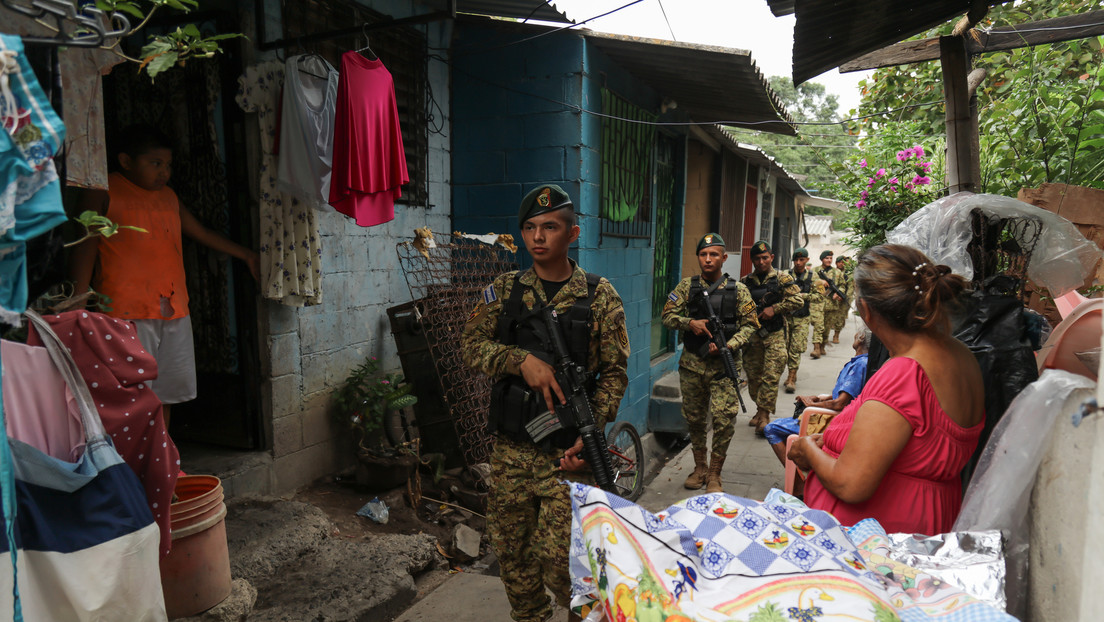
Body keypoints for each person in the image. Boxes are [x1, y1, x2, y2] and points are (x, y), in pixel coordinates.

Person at [461, 184, 629, 622]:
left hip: (568, 453)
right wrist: (519, 361)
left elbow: (614, 373)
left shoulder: (600, 296)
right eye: (530, 228)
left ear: (572, 233)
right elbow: (470, 346)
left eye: (550, 227)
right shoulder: (505, 290)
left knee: (564, 563)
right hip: (511, 452)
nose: (538, 237)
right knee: (514, 558)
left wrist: (592, 429)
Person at [69, 126, 259, 429]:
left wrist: (247, 255)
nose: (165, 172)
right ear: (126, 161)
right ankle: (131, 458)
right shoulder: (102, 191)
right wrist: (75, 308)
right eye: (155, 163)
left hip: (174, 310)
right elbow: (85, 247)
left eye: (168, 165)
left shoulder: (168, 196)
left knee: (166, 395)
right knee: (130, 395)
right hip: (126, 312)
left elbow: (201, 233)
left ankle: (161, 453)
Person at [788, 244, 984, 536]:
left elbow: (852, 484)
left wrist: (807, 449)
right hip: (929, 519)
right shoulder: (960, 354)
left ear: (866, 310)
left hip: (876, 539)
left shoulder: (904, 373)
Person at [661, 233, 759, 493]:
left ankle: (715, 473)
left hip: (723, 368)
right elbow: (667, 315)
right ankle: (700, 467)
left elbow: (751, 325)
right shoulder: (686, 287)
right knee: (694, 419)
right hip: (692, 365)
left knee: (724, 419)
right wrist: (689, 323)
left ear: (724, 258)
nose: (708, 259)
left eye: (713, 254)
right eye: (703, 254)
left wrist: (730, 345)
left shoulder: (738, 290)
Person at [763, 327, 870, 466]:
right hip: (837, 416)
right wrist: (822, 399)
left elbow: (840, 403)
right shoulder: (862, 362)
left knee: (772, 428)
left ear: (861, 339)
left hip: (835, 420)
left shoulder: (860, 365)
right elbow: (849, 394)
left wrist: (812, 405)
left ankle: (797, 474)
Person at [740, 241, 802, 436]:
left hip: (775, 335)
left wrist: (774, 309)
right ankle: (759, 409)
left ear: (771, 258)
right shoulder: (745, 282)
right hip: (752, 337)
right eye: (757, 259)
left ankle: (764, 416)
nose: (761, 262)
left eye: (765, 258)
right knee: (753, 379)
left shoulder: (782, 278)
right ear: (752, 260)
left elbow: (798, 300)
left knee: (771, 377)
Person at [782, 247, 814, 393]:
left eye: (802, 260)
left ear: (807, 260)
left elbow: (820, 297)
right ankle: (790, 375)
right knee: (784, 349)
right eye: (796, 260)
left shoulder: (813, 277)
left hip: (802, 318)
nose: (798, 263)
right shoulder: (785, 276)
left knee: (795, 349)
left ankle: (791, 377)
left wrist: (803, 296)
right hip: (786, 317)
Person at [818, 250, 848, 348]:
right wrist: (820, 282)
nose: (829, 260)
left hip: (831, 304)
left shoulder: (837, 272)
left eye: (831, 258)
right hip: (817, 303)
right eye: (827, 258)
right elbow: (810, 283)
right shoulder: (815, 271)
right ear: (822, 259)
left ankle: (823, 344)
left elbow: (843, 285)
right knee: (818, 326)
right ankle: (816, 347)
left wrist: (838, 294)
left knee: (827, 327)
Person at [828, 255, 854, 343]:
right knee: (829, 317)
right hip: (832, 298)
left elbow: (850, 287)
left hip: (843, 299)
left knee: (840, 318)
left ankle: (836, 335)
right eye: (840, 262)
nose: (842, 264)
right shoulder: (832, 272)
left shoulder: (848, 274)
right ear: (836, 263)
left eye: (843, 262)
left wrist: (845, 297)